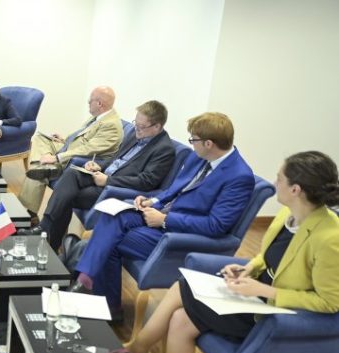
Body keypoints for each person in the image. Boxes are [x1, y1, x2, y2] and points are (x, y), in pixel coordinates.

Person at [126, 151, 339, 353]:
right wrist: (248, 268)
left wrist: (266, 291)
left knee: (182, 289)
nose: (275, 183)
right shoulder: (288, 213)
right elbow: (269, 256)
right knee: (181, 318)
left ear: (296, 189)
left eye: (279, 178)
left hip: (273, 313)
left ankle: (137, 349)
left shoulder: (330, 237)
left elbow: (330, 302)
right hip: (256, 293)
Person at [70, 112, 255, 320]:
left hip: (180, 235)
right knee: (112, 215)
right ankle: (93, 289)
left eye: (193, 140)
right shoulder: (199, 157)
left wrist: (165, 220)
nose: (191, 144)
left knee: (108, 240)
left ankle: (93, 291)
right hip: (161, 215)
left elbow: (216, 225)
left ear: (209, 143)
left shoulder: (239, 177)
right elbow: (174, 190)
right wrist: (152, 201)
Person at [20, 100, 175, 248]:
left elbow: (146, 182)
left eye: (141, 126)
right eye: (136, 123)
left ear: (157, 126)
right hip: (102, 175)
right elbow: (116, 159)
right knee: (72, 173)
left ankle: (47, 235)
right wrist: (98, 166)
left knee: (67, 195)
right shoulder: (136, 134)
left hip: (115, 188)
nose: (136, 129)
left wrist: (108, 180)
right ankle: (47, 233)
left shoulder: (164, 149)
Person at [18, 86, 123, 219]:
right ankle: (47, 168)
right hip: (69, 149)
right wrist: (64, 140)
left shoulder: (111, 125)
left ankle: (30, 213)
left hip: (80, 160)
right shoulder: (100, 117)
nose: (88, 103)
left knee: (39, 166)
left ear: (99, 104)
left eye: (90, 100)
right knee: (40, 138)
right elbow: (81, 136)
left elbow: (88, 149)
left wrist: (57, 158)